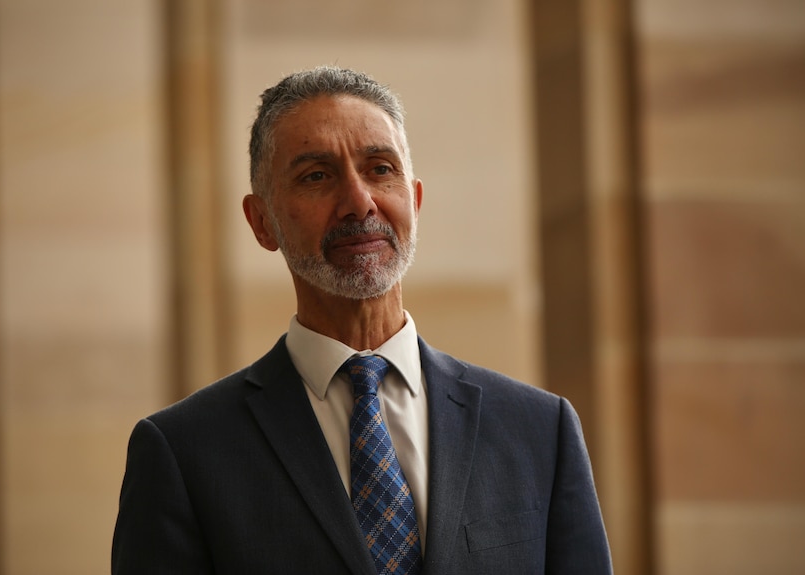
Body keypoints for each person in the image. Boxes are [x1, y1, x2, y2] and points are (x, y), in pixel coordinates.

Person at [112, 66, 612, 574]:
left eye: (379, 168)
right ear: (262, 222)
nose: (358, 201)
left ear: (414, 201)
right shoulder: (183, 451)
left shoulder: (539, 431)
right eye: (316, 176)